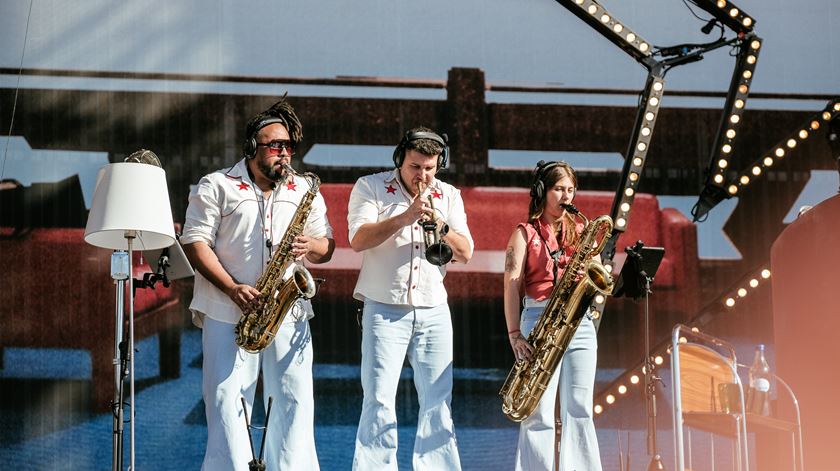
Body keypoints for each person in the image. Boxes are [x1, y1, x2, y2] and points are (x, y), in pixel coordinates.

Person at [181, 96, 334, 471]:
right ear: (252, 147)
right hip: (226, 308)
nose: (284, 154)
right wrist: (233, 288)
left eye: (289, 147)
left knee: (295, 401)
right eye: (275, 146)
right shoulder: (217, 184)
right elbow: (195, 242)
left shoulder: (303, 189)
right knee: (227, 402)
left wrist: (310, 245)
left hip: (287, 311)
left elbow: (326, 246)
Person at [347, 128, 474, 470]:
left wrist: (442, 225)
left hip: (434, 308)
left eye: (430, 168)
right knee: (378, 398)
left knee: (438, 400)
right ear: (400, 159)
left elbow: (466, 253)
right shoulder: (370, 187)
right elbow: (357, 240)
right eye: (416, 167)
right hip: (384, 308)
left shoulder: (448, 195)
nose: (423, 176)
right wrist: (405, 217)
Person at [502, 160, 602, 471]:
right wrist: (514, 334)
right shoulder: (524, 233)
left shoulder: (582, 230)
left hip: (578, 322)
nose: (566, 196)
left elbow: (596, 271)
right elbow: (511, 285)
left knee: (580, 408)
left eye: (571, 190)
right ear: (542, 191)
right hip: (538, 319)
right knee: (538, 411)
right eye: (559, 189)